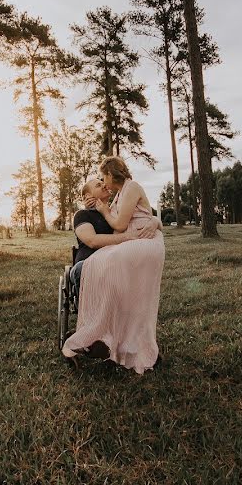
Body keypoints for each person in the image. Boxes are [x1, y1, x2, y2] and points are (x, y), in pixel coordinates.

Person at [62, 156, 166, 374]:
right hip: (90, 262)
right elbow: (91, 241)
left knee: (124, 283)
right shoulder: (82, 215)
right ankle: (93, 336)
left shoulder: (117, 208)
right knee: (85, 271)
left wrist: (155, 221)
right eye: (97, 184)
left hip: (116, 262)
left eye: (103, 180)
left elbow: (141, 213)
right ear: (88, 196)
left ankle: (122, 341)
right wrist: (129, 238)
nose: (103, 184)